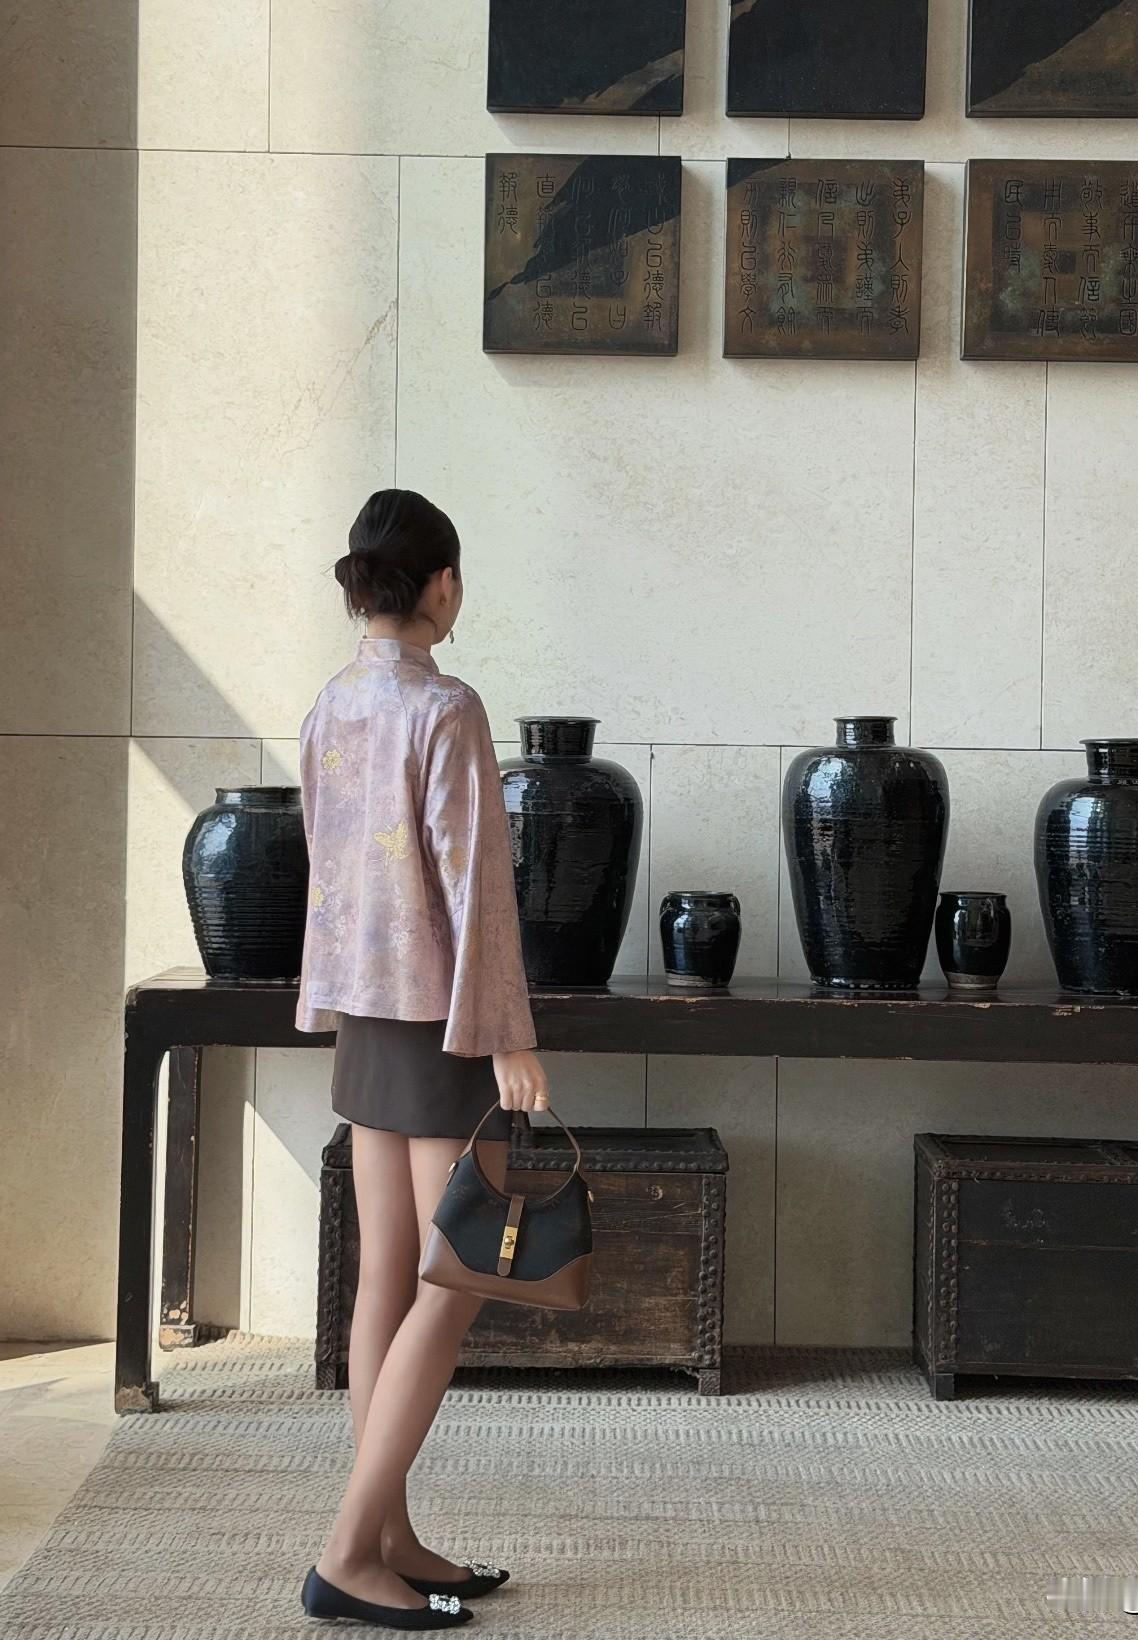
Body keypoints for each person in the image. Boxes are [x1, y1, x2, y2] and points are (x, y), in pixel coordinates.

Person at [295, 489, 548, 1631]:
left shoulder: (331, 704)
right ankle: (351, 1550)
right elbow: (475, 880)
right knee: (457, 1280)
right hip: (440, 1019)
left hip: (362, 1014)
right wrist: (511, 1035)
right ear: (439, 584)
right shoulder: (447, 707)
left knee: (388, 1280)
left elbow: (328, 864)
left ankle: (389, 1536)